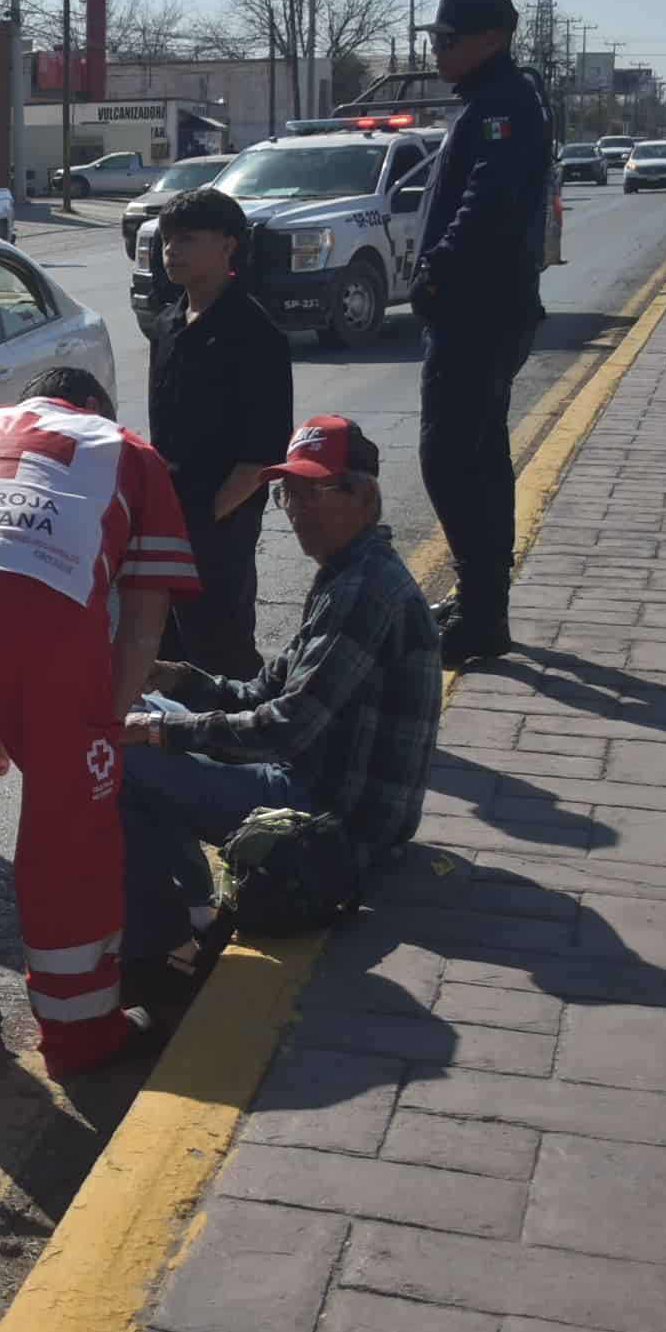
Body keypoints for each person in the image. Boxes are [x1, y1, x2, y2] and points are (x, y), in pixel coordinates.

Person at [0, 366, 198, 1076]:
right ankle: (81, 1033)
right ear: (96, 409)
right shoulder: (125, 449)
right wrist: (100, 725)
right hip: (40, 622)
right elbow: (143, 619)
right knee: (68, 829)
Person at [117, 417, 443, 999]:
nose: (297, 509)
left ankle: (165, 944)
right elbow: (266, 689)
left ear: (364, 496)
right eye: (288, 493)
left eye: (314, 492)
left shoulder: (366, 589)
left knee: (122, 757)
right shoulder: (347, 571)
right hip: (315, 783)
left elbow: (286, 728)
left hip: (334, 822)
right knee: (145, 712)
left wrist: (163, 731)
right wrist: (179, 680)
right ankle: (196, 916)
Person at [411, 0, 550, 667]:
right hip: (484, 313)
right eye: (433, 39)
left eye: (446, 39)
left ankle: (484, 615)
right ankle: (481, 601)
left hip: (477, 314)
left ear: (490, 40)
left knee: (452, 462)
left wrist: (435, 270)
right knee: (478, 462)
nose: (436, 50)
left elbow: (487, 202)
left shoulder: (503, 107)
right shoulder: (496, 101)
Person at [144, 187, 292, 679]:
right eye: (167, 240)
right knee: (157, 647)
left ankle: (243, 741)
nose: (172, 252)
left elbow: (261, 457)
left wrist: (205, 521)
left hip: (218, 525)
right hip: (163, 518)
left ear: (228, 246)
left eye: (187, 239)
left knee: (219, 648)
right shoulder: (166, 324)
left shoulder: (253, 333)